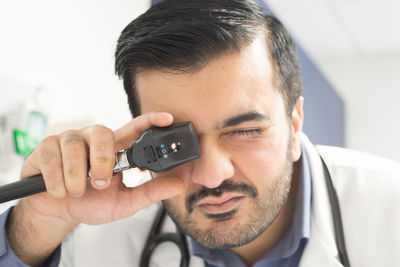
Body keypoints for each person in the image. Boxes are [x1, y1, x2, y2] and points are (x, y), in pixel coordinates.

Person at [1, 0, 399, 266]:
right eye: (175, 141)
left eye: (244, 131)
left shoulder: (389, 208)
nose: (211, 175)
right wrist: (38, 221)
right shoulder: (95, 233)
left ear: (294, 124)